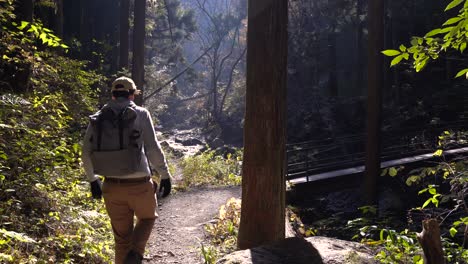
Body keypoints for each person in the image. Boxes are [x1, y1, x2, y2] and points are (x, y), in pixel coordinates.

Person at [81, 76, 172, 264]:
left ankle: (127, 256)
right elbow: (152, 148)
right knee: (147, 218)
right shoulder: (141, 113)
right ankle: (136, 253)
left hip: (111, 186)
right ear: (132, 94)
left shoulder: (99, 117)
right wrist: (164, 174)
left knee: (121, 240)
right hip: (140, 184)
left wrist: (93, 180)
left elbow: (85, 151)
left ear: (113, 95)